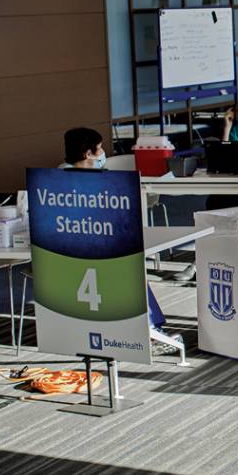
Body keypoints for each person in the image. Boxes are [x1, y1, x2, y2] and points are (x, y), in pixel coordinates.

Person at [58, 127, 179, 355]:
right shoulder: (91, 184)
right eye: (100, 148)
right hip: (92, 255)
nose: (103, 152)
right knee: (131, 270)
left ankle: (151, 329)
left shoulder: (57, 179)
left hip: (79, 252)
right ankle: (150, 332)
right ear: (87, 153)